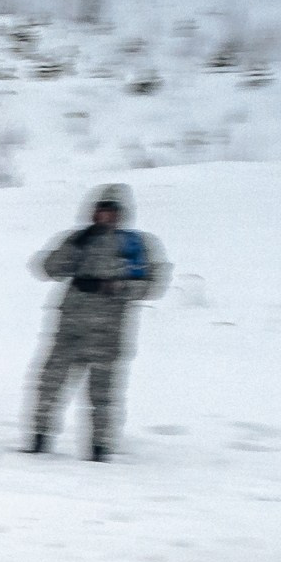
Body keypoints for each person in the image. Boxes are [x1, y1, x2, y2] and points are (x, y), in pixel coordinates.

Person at [29, 183, 170, 461]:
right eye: (100, 210)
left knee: (103, 397)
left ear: (121, 213)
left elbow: (154, 284)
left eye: (110, 211)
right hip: (69, 330)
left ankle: (100, 449)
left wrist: (117, 288)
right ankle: (39, 440)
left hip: (108, 333)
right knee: (48, 385)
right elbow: (47, 269)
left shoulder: (136, 245)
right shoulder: (78, 239)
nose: (104, 216)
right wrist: (75, 246)